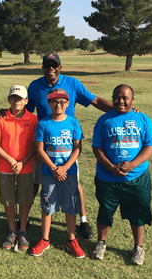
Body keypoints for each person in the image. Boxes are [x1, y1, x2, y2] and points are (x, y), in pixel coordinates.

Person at [25, 53, 115, 239]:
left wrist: (120, 109)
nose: (51, 68)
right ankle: (25, 219)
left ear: (60, 67)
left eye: (54, 65)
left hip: (66, 146)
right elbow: (26, 111)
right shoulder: (35, 86)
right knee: (36, 182)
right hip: (43, 143)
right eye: (47, 65)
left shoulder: (72, 83)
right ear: (42, 68)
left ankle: (82, 220)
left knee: (74, 184)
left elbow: (95, 101)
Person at [91, 84, 152, 265]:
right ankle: (101, 243)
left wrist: (132, 165)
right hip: (107, 177)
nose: (121, 101)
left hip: (136, 177)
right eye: (117, 97)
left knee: (137, 213)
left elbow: (150, 146)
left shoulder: (143, 119)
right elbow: (97, 147)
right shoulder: (104, 120)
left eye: (125, 98)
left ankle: (138, 248)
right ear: (112, 97)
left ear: (132, 100)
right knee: (105, 211)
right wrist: (111, 166)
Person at [31, 88, 85, 258]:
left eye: (62, 102)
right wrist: (54, 169)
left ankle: (71, 240)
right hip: (49, 172)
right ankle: (45, 239)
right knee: (48, 205)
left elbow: (77, 148)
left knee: (70, 205)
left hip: (69, 172)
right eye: (54, 101)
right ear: (49, 103)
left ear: (68, 104)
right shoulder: (44, 123)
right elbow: (39, 149)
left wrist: (64, 168)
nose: (58, 105)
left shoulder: (73, 122)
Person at [0, 85, 38, 251]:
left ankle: (22, 230)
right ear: (8, 100)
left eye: (20, 98)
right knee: (8, 200)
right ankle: (12, 231)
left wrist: (22, 162)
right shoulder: (1, 119)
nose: (17, 101)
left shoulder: (33, 119)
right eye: (13, 98)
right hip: (6, 166)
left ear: (26, 101)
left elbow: (34, 145)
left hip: (26, 166)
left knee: (25, 200)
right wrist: (12, 161)